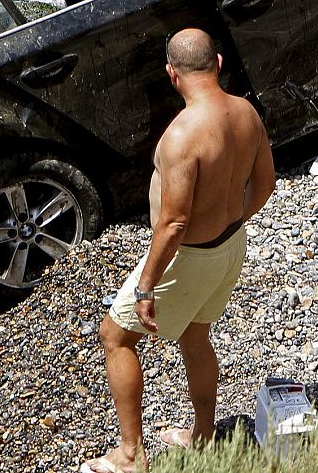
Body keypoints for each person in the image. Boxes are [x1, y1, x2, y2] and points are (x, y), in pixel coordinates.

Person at [83, 28, 277, 473]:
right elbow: (265, 184)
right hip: (230, 246)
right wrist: (231, 222)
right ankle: (203, 437)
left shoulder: (181, 136)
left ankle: (131, 456)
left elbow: (173, 224)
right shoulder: (247, 112)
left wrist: (147, 284)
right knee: (195, 335)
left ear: (172, 74)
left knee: (115, 336)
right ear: (219, 63)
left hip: (187, 257)